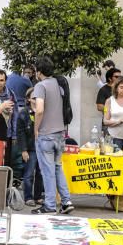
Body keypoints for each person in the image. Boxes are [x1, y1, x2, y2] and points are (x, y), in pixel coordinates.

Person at [31, 58, 73, 215]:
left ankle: (49, 205)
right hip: (60, 133)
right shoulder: (58, 83)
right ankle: (66, 201)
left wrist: (36, 129)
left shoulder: (40, 86)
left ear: (39, 72)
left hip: (46, 134)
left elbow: (40, 109)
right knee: (57, 168)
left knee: (47, 171)